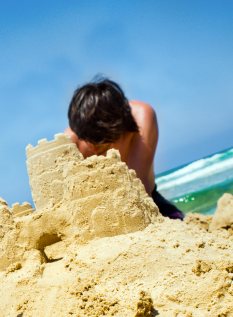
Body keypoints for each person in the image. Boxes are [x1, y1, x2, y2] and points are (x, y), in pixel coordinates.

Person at [63, 77, 184, 219]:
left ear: (116, 125)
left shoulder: (140, 117)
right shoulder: (69, 141)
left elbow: (139, 187)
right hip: (97, 209)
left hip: (145, 195)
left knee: (180, 221)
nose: (90, 146)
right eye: (85, 139)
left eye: (98, 140)